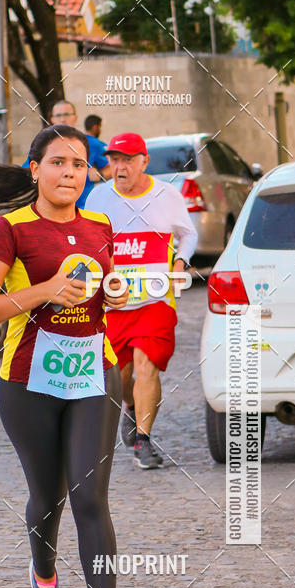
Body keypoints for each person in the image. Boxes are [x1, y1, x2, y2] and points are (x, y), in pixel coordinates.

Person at [0, 124, 129, 588]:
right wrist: (44, 291)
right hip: (28, 381)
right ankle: (44, 579)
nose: (69, 174)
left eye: (79, 165)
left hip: (93, 375)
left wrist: (117, 291)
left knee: (90, 497)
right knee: (48, 498)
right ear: (34, 169)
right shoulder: (10, 229)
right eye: (57, 163)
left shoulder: (102, 224)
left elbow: (110, 292)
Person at [86, 133, 197, 469]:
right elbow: (90, 245)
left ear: (144, 162)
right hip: (114, 304)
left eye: (128, 159)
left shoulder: (167, 195)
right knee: (118, 377)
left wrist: (180, 262)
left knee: (147, 365)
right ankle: (131, 408)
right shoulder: (98, 198)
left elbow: (188, 234)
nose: (120, 166)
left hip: (155, 298)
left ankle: (143, 442)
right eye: (115, 159)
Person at [22, 102, 108, 208]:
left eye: (67, 115)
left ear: (75, 118)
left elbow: (112, 168)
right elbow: (27, 173)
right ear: (52, 119)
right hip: (50, 213)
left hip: (83, 209)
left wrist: (101, 174)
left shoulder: (92, 143)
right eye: (58, 115)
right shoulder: (42, 144)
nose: (62, 119)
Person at [81, 114, 111, 206]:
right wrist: (99, 174)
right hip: (85, 201)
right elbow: (111, 168)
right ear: (95, 127)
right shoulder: (96, 144)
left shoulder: (77, 140)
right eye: (100, 127)